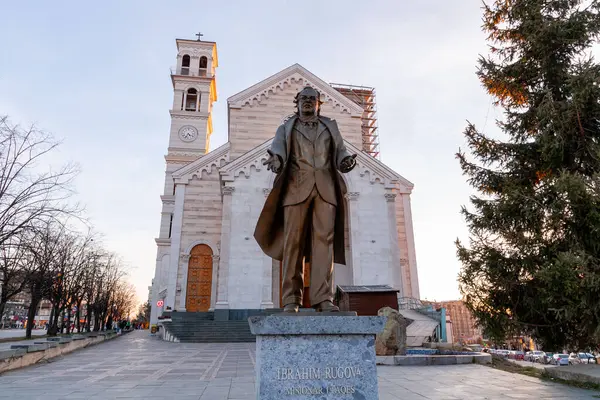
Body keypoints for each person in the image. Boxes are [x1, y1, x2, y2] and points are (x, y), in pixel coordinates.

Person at [255, 86, 357, 313]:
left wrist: (345, 161)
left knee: (325, 244)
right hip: (295, 190)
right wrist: (276, 161)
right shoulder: (285, 128)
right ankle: (291, 299)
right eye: (304, 98)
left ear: (319, 104)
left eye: (313, 99)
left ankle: (323, 299)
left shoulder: (330, 127)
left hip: (326, 190)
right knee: (293, 244)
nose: (308, 101)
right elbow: (278, 150)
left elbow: (340, 151)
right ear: (297, 102)